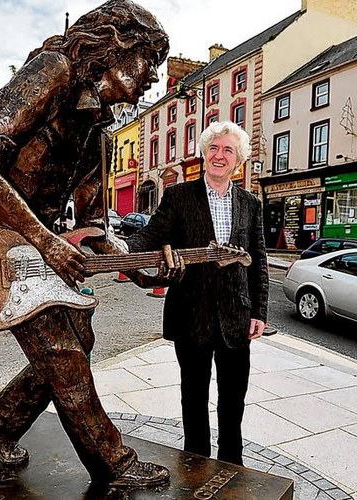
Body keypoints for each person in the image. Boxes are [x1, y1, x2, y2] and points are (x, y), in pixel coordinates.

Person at [0, 0, 171, 489]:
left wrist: (139, 267)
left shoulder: (100, 133)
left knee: (79, 341)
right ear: (116, 47)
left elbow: (94, 228)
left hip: (39, 248)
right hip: (0, 247)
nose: (153, 78)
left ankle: (0, 422)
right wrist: (45, 243)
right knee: (63, 352)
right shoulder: (53, 71)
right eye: (148, 63)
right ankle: (114, 464)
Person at [126, 121, 269, 466]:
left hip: (236, 317)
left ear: (239, 161)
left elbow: (259, 259)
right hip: (191, 315)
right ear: (205, 153)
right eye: (214, 148)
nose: (220, 156)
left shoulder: (250, 203)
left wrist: (259, 312)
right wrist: (121, 249)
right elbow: (150, 235)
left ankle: (232, 464)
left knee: (233, 399)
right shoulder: (179, 196)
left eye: (228, 150)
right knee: (193, 397)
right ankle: (196, 464)